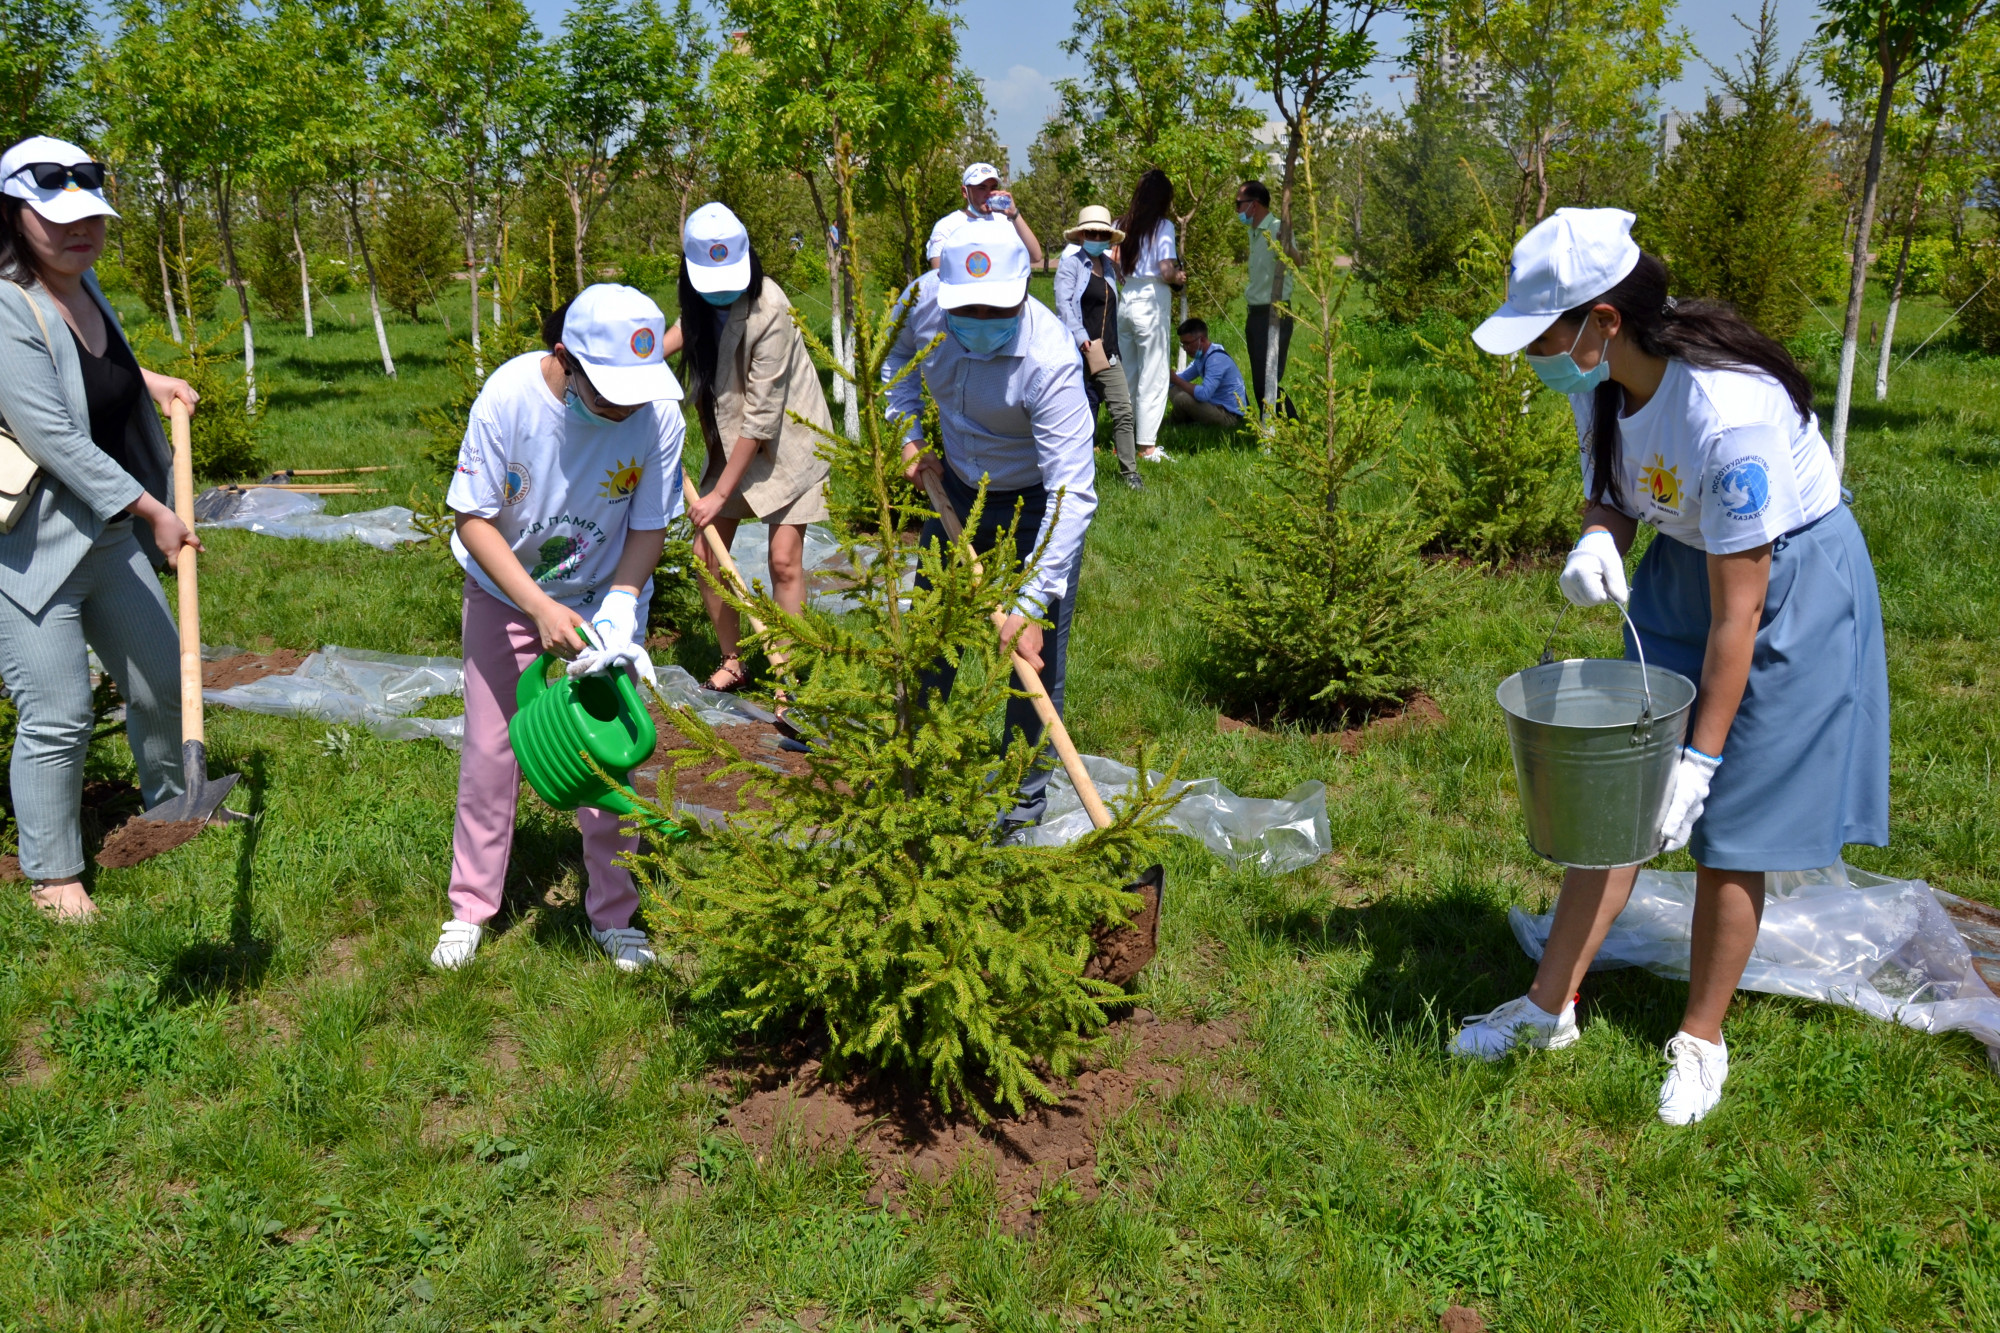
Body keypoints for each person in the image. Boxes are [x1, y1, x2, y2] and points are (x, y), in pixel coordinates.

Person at [1452, 208, 1888, 1126]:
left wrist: (1702, 761)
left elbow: (1742, 617)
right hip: (1690, 565)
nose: (1536, 350)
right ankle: (1546, 1009)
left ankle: (1701, 1039)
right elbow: (1612, 490)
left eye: (1544, 331)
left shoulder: (1731, 420)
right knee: (1616, 795)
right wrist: (1595, 540)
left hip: (1787, 582)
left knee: (1735, 825)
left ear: (1602, 319)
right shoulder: (1599, 378)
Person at [436, 283, 686, 973]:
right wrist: (538, 607)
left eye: (636, 393)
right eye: (610, 393)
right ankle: (470, 907)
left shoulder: (657, 414)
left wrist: (620, 607)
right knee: (492, 752)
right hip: (507, 592)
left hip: (603, 596)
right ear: (564, 359)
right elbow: (473, 518)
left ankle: (615, 914)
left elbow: (648, 523)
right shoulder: (511, 396)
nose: (625, 407)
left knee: (611, 755)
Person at [0, 135, 201, 922]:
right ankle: (52, 872)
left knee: (157, 677)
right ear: (15, 218)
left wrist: (152, 379)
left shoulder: (82, 289)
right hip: (31, 547)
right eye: (59, 219)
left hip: (105, 533)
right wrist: (154, 510)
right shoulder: (6, 305)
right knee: (59, 713)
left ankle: (170, 801)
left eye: (92, 218)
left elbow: (91, 368)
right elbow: (51, 433)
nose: (81, 232)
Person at [883, 219, 1097, 829]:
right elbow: (893, 361)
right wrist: (910, 435)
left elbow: (1071, 495)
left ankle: (1022, 796)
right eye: (966, 308)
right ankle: (915, 770)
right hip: (951, 488)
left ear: (1022, 294)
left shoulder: (1050, 360)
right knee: (931, 639)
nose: (978, 318)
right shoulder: (922, 304)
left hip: (1033, 503)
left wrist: (1030, 602)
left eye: (993, 308)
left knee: (1035, 658)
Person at [659, 202, 833, 695]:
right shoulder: (697, 302)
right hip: (734, 442)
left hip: (787, 442)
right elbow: (677, 334)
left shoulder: (770, 307)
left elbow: (761, 417)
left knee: (783, 559)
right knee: (707, 553)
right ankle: (734, 660)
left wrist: (716, 496)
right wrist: (636, 357)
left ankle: (789, 678)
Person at [1052, 205, 1140, 491]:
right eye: (1091, 232)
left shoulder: (1110, 266)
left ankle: (1130, 473)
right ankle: (1077, 475)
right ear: (1081, 235)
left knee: (1123, 410)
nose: (1096, 236)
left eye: (1101, 232)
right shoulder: (1071, 264)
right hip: (1079, 352)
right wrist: (1080, 336)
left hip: (1108, 353)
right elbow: (1064, 304)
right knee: (1083, 415)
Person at [1114, 169, 1186, 464]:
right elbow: (1166, 269)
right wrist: (1178, 277)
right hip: (1151, 299)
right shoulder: (1163, 226)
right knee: (1153, 375)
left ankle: (1123, 442)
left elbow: (1114, 264)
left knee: (1128, 374)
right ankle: (1146, 447)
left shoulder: (1121, 223)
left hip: (1126, 298)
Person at [1236, 180, 1292, 417]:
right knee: (1262, 380)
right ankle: (1279, 428)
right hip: (1255, 314)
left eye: (1239, 204)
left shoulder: (1278, 228)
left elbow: (1297, 261)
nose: (1237, 210)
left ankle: (1289, 428)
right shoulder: (1254, 231)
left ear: (1253, 205)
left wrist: (1286, 245)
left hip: (1275, 311)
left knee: (1268, 379)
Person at [927, 163, 1043, 271]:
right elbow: (938, 272)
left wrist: (1014, 215)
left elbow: (1035, 256)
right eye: (982, 188)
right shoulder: (947, 226)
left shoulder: (1005, 221)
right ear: (965, 192)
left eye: (993, 188)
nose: (989, 193)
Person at [1167, 318, 1246, 429]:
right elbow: (1184, 376)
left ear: (1202, 340)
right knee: (1173, 388)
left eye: (1188, 343)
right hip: (1213, 404)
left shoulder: (1217, 360)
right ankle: (1188, 419)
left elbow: (1204, 394)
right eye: (1182, 344)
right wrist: (1165, 379)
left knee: (1182, 398)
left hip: (1228, 415)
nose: (1185, 348)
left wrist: (1176, 380)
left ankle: (1171, 425)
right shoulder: (1201, 356)